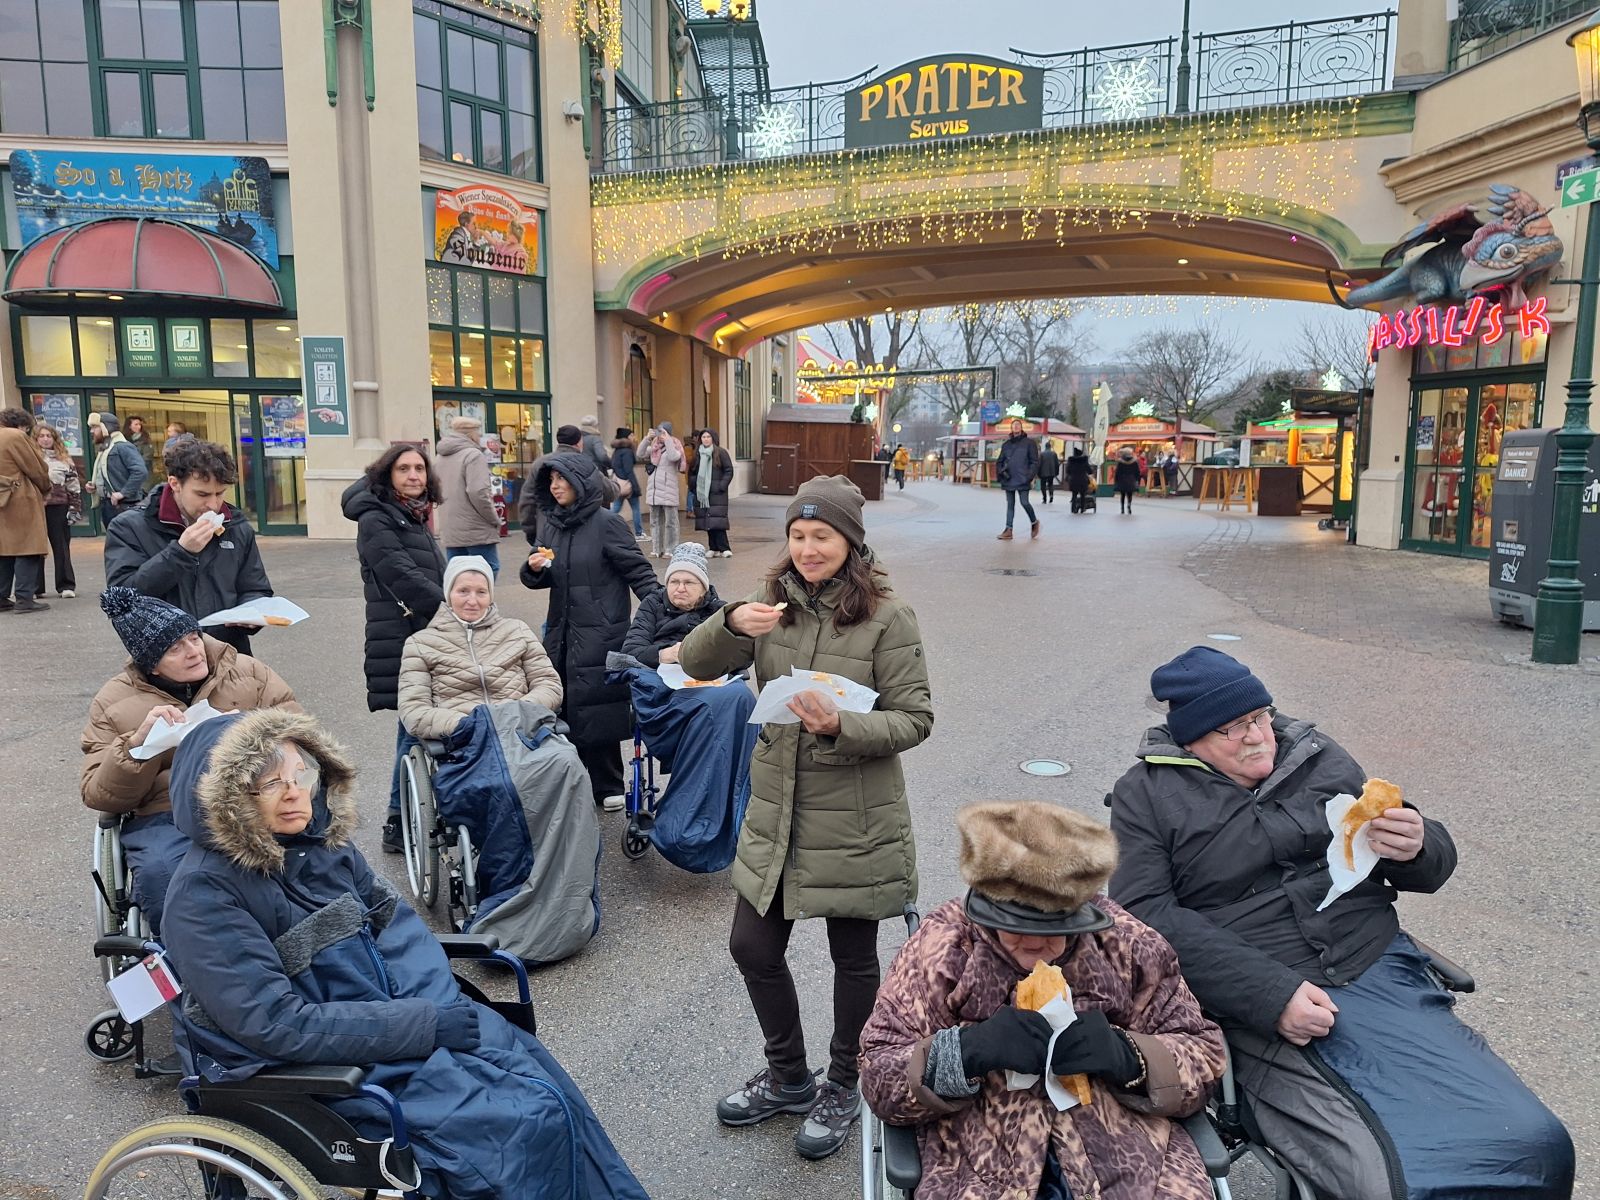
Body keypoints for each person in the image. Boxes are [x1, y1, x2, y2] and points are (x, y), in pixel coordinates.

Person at [1107, 647, 1574, 1200]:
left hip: (1374, 966)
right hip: (1259, 994)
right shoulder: (1147, 795)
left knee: (1537, 1142)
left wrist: (1418, 844)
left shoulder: (1315, 755)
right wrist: (1270, 994)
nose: (1257, 737)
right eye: (1230, 730)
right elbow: (1146, 918)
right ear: (1191, 742)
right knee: (1390, 1179)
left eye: (1259, 717)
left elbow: (1427, 864)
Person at [159, 708, 652, 1200]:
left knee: (545, 1087)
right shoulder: (203, 897)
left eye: (300, 774)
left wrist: (440, 1008)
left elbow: (400, 934)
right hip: (318, 1070)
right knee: (514, 1128)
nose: (294, 792)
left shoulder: (324, 848)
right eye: (269, 784)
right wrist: (425, 1026)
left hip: (392, 1026)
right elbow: (277, 1024)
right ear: (226, 801)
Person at [680, 474, 933, 1162]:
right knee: (752, 947)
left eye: (821, 535)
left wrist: (842, 725)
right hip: (777, 805)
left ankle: (844, 1083)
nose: (807, 547)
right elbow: (693, 663)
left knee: (852, 957)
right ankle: (790, 1076)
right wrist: (731, 622)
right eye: (797, 535)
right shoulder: (770, 603)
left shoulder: (888, 616)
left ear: (850, 542)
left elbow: (915, 719)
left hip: (854, 811)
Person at [860, 800, 1228, 1200]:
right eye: (1014, 927)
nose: (1034, 944)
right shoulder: (944, 946)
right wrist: (965, 1052)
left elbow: (1204, 1052)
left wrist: (1129, 1056)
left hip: (1129, 1151)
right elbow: (879, 1068)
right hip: (975, 1154)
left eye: (1053, 928)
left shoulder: (1127, 943)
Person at [83, 587, 298, 935]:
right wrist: (138, 745)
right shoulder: (113, 702)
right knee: (163, 870)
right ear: (150, 664)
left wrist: (253, 736)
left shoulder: (248, 672)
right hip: (164, 812)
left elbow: (299, 735)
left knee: (303, 849)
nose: (194, 652)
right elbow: (100, 795)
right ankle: (184, 958)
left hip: (251, 799)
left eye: (193, 638)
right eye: (175, 648)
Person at [521, 451, 660, 810]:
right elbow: (543, 576)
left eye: (562, 479)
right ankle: (572, 779)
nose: (555, 487)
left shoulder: (607, 523)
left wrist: (666, 613)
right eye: (550, 481)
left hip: (601, 630)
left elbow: (639, 573)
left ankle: (608, 783)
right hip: (561, 631)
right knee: (564, 703)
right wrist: (534, 568)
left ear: (581, 482)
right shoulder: (550, 523)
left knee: (598, 708)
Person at [342, 444, 446, 851]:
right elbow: (399, 573)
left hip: (422, 631)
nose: (414, 475)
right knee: (414, 722)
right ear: (387, 475)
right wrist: (450, 608)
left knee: (414, 723)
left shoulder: (412, 514)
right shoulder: (376, 518)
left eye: (419, 468)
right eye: (404, 469)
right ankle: (397, 820)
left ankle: (404, 817)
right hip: (401, 635)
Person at [105, 438, 273, 659]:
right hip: (165, 661)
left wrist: (251, 612)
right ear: (174, 483)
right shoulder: (129, 527)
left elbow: (255, 587)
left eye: (220, 493)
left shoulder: (236, 526)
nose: (213, 504)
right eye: (202, 494)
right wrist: (181, 552)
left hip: (228, 655)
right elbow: (122, 598)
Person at [398, 554, 563, 739]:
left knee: (565, 762)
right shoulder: (421, 644)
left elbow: (549, 684)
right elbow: (413, 709)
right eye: (463, 591)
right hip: (464, 741)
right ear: (449, 594)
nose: (472, 601)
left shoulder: (517, 631)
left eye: (481, 592)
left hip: (521, 732)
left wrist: (519, 713)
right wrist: (467, 724)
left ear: (490, 596)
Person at [621, 541, 722, 667]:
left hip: (708, 677)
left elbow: (741, 657)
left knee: (737, 688)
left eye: (688, 583)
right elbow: (631, 650)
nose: (680, 588)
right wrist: (665, 654)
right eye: (674, 582)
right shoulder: (652, 603)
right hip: (658, 677)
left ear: (703, 588)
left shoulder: (719, 610)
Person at [435, 416, 502, 576]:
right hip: (475, 526)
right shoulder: (473, 455)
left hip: (451, 525)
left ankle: (457, 600)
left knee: (456, 572)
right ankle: (481, 600)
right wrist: (493, 518)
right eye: (478, 433)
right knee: (489, 568)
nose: (479, 437)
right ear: (471, 434)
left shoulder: (440, 457)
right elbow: (478, 491)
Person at [0, 408, 52, 614]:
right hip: (19, 497)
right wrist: (46, 487)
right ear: (21, 424)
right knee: (28, 547)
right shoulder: (15, 436)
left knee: (4, 550)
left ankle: (1, 597)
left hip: (2, 499)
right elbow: (36, 468)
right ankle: (24, 598)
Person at [34, 422, 81, 598]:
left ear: (54, 438)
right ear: (36, 438)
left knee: (61, 546)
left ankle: (66, 585)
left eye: (49, 436)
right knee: (35, 547)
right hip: (36, 507)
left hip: (59, 506)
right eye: (42, 436)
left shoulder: (65, 460)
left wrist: (74, 508)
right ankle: (34, 587)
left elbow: (73, 485)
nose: (45, 439)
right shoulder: (32, 457)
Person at [86, 412, 148, 528]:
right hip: (110, 505)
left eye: (95, 427)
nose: (92, 431)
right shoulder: (106, 448)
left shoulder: (122, 446)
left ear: (105, 427)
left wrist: (123, 493)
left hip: (122, 506)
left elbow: (140, 471)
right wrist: (96, 486)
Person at [642, 422, 684, 560]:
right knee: (654, 521)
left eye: (663, 432)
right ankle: (656, 549)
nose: (660, 435)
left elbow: (673, 457)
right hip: (654, 490)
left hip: (668, 489)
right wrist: (647, 438)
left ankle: (671, 549)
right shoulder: (654, 447)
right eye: (659, 432)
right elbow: (640, 453)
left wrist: (668, 441)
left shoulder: (675, 445)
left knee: (670, 522)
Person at [994, 419, 1040, 541]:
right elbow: (1000, 461)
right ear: (1011, 428)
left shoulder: (1029, 443)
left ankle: (1034, 521)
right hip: (1009, 478)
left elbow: (1034, 462)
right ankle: (1008, 529)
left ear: (1021, 428)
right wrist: (1001, 472)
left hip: (1023, 478)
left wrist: (1029, 476)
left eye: (1018, 425)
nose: (1016, 427)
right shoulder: (1006, 445)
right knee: (1010, 504)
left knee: (1024, 502)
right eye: (1014, 425)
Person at [692, 428, 735, 557]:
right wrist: (694, 487)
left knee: (718, 521)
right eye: (703, 437)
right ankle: (713, 547)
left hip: (717, 493)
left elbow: (729, 470)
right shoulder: (697, 454)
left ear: (713, 438)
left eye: (708, 437)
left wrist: (721, 486)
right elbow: (692, 472)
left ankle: (724, 548)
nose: (705, 439)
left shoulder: (720, 453)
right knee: (708, 521)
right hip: (702, 493)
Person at [610, 426, 645, 539]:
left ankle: (605, 527)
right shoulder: (627, 451)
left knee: (615, 508)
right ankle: (639, 533)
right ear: (626, 437)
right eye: (631, 435)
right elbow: (629, 470)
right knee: (635, 508)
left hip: (618, 483)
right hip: (627, 484)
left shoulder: (617, 451)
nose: (634, 437)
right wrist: (635, 486)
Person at [1065, 447, 1093, 513]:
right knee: (1083, 495)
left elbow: (1068, 471)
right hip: (1082, 480)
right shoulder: (1084, 461)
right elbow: (1090, 471)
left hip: (1073, 480)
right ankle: (1082, 508)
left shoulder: (1071, 461)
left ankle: (1073, 509)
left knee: (1074, 495)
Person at [1113, 449, 1142, 514]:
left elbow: (1118, 472)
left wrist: (1116, 480)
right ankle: (1129, 504)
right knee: (1130, 494)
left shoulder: (1120, 462)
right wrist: (1137, 479)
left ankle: (1122, 508)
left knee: (1122, 495)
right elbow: (1137, 472)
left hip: (1122, 480)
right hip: (1131, 479)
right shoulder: (1134, 462)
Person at [1037, 441, 1060, 505]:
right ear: (1050, 447)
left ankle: (1044, 498)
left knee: (1043, 486)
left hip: (1043, 473)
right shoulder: (1054, 454)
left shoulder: (1042, 454)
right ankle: (1051, 495)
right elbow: (1056, 464)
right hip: (1051, 472)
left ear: (1045, 447)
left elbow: (1039, 464)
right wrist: (1056, 472)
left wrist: (1038, 472)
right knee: (1050, 484)